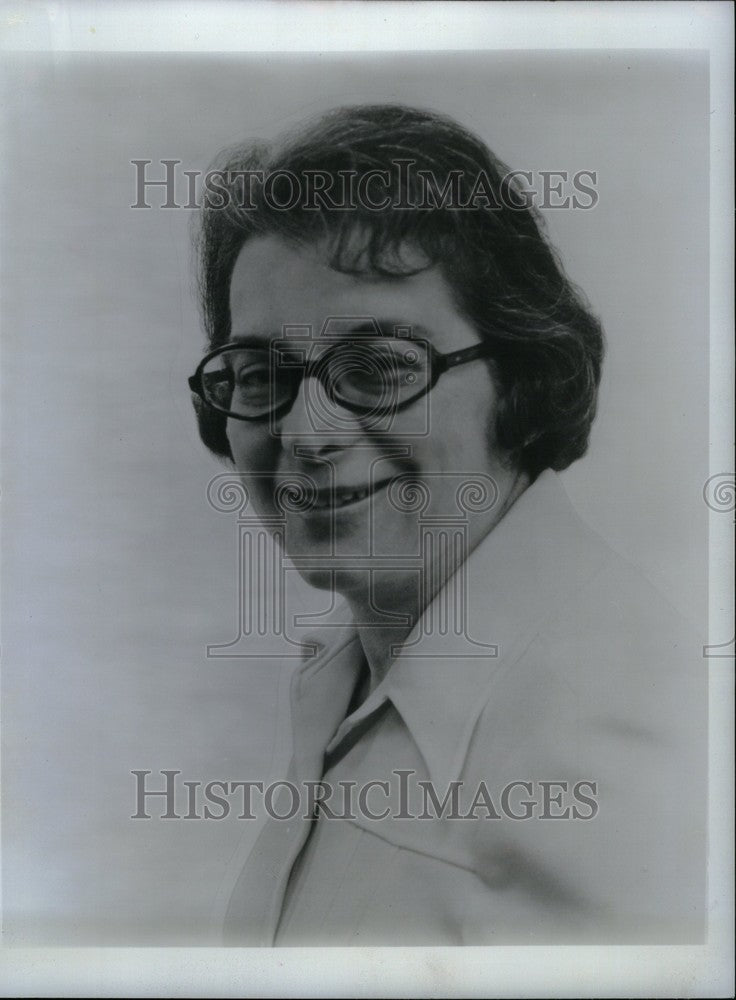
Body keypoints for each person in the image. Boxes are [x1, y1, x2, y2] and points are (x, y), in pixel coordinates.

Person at [188, 104, 705, 945]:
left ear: (521, 379)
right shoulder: (355, 667)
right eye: (260, 373)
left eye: (382, 366)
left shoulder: (618, 748)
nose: (306, 433)